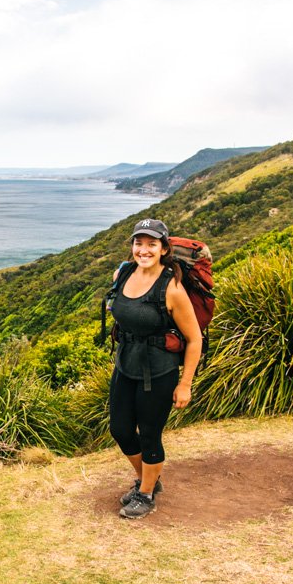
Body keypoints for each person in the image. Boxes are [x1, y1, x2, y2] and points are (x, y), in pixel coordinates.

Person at [110, 218, 202, 519]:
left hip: (159, 371)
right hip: (126, 364)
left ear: (164, 249)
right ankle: (149, 477)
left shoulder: (172, 288)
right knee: (121, 430)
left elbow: (194, 338)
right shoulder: (122, 274)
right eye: (139, 243)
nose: (144, 249)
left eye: (152, 244)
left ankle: (146, 493)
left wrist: (185, 384)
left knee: (149, 434)